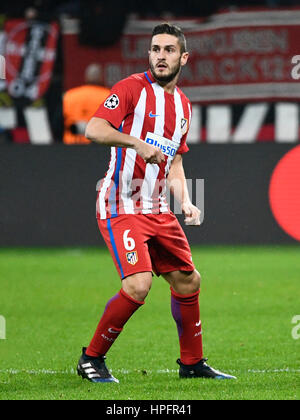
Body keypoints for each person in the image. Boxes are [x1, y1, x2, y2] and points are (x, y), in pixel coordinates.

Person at [77, 23, 236, 382]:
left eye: (167, 50)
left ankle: (192, 365)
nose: (160, 56)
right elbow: (94, 129)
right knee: (138, 285)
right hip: (122, 203)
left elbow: (175, 161)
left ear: (184, 57)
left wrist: (187, 201)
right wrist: (135, 144)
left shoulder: (182, 105)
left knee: (187, 280)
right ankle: (91, 359)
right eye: (155, 49)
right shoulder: (131, 89)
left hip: (158, 208)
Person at [63, 63, 110, 144]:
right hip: (99, 144)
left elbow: (58, 123)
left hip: (71, 143)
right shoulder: (109, 95)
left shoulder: (69, 95)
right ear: (100, 78)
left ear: (86, 77)